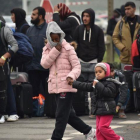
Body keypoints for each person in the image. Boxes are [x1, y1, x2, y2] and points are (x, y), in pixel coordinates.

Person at [41, 21, 96, 140]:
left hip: (67, 85)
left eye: (58, 38)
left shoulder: (68, 48)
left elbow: (77, 66)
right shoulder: (46, 49)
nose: (56, 41)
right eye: (53, 39)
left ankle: (56, 138)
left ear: (61, 35)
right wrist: (55, 50)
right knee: (68, 115)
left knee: (61, 115)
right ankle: (89, 131)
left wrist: (71, 76)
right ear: (49, 38)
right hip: (54, 87)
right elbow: (45, 64)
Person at [72, 62, 124, 140]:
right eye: (96, 72)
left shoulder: (111, 83)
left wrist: (98, 84)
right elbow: (85, 86)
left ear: (106, 72)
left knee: (103, 127)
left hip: (107, 109)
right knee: (99, 131)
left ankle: (118, 139)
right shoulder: (96, 83)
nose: (98, 74)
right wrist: (74, 83)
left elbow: (108, 93)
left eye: (100, 72)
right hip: (98, 109)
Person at [74, 8, 105, 118]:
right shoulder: (78, 29)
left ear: (91, 17)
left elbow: (102, 47)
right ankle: (82, 110)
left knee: (93, 89)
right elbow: (75, 44)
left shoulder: (98, 30)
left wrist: (98, 61)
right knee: (81, 88)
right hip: (81, 63)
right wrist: (76, 59)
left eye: (87, 16)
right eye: (84, 16)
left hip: (93, 63)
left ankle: (93, 111)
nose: (85, 18)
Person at [26, 7, 49, 97]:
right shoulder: (29, 30)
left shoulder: (48, 29)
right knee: (34, 93)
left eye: (34, 14)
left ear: (40, 16)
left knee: (46, 92)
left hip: (45, 68)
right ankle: (36, 110)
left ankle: (47, 110)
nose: (31, 16)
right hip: (32, 67)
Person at [0, 19, 18, 123]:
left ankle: (12, 112)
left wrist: (4, 57)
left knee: (6, 87)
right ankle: (5, 112)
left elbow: (15, 46)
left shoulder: (4, 29)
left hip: (2, 64)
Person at [112, 1, 140, 70]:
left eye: (129, 9)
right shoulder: (121, 23)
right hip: (126, 58)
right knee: (126, 79)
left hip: (138, 56)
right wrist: (122, 48)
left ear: (134, 9)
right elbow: (115, 37)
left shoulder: (139, 22)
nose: (126, 11)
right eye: (125, 9)